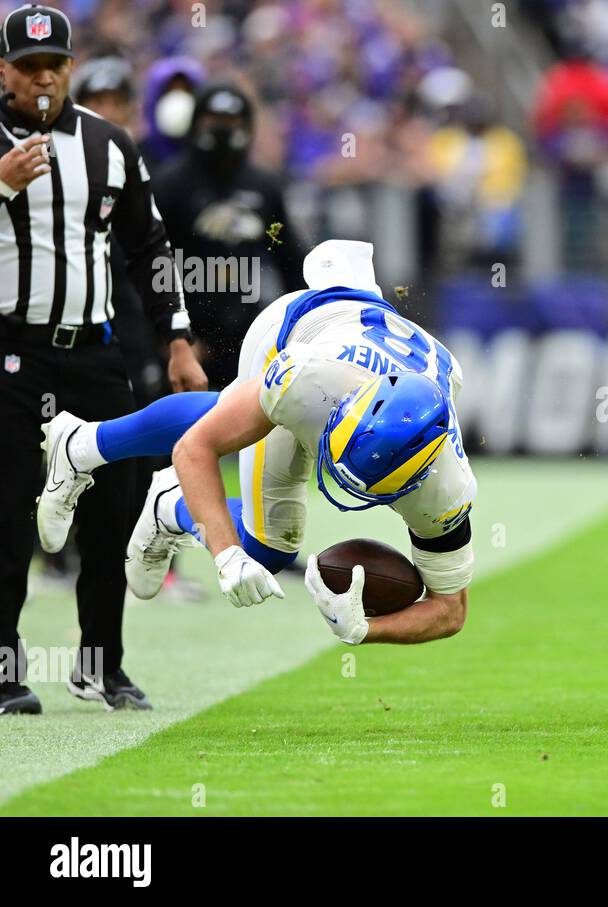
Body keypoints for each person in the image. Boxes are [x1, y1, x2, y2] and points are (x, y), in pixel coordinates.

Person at [38, 239, 474, 651]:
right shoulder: (313, 381)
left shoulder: (445, 489)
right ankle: (115, 465)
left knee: (262, 526)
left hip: (358, 343)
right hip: (301, 328)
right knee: (260, 524)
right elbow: (196, 447)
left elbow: (451, 612)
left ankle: (131, 477)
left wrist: (365, 629)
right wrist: (226, 555)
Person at [0, 5, 206, 717]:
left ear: (71, 66)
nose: (43, 78)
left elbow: (150, 248)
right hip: (12, 352)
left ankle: (100, 664)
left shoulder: (109, 145)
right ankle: (3, 669)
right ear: (4, 71)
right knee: (8, 512)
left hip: (95, 355)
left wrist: (177, 339)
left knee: (113, 509)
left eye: (53, 64)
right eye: (27, 67)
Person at [152, 81, 306, 390]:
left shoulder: (263, 186)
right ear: (196, 123)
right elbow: (150, 265)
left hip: (246, 336)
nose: (223, 131)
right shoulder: (169, 184)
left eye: (232, 122)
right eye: (213, 122)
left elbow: (291, 261)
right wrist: (170, 339)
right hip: (186, 338)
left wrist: (300, 328)